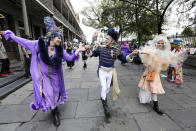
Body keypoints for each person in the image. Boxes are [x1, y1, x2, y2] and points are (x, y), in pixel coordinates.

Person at [0, 16, 84, 126]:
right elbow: (23, 41)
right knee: (49, 94)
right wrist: (10, 35)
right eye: (58, 38)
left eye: (60, 38)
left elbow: (69, 58)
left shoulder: (60, 49)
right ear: (52, 37)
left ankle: (54, 106)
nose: (60, 40)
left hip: (55, 77)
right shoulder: (38, 44)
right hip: (43, 77)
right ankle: (54, 112)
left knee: (55, 93)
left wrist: (77, 51)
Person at [91, 28, 137, 117]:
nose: (105, 40)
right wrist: (89, 50)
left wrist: (131, 54)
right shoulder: (101, 48)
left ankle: (103, 97)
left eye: (107, 39)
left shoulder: (117, 49)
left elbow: (123, 58)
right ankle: (105, 105)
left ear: (112, 40)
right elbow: (93, 54)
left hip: (110, 72)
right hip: (101, 71)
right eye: (105, 38)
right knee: (104, 87)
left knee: (108, 88)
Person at [136, 34, 183, 115]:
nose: (160, 44)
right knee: (146, 86)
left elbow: (173, 56)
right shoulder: (153, 50)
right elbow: (147, 51)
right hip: (149, 71)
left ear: (164, 44)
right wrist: (139, 51)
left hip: (155, 73)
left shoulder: (166, 52)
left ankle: (155, 105)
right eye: (158, 43)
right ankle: (149, 101)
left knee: (154, 88)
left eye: (161, 43)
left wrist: (180, 53)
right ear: (156, 43)